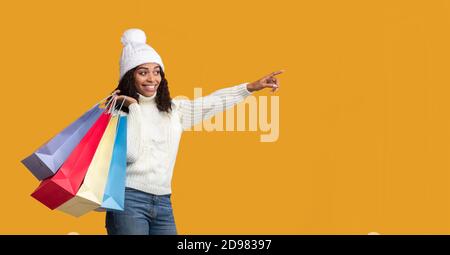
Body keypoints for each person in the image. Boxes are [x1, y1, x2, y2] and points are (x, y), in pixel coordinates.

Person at [106, 28, 284, 235]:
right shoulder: (119, 111)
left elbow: (213, 102)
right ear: (130, 76)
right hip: (128, 201)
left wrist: (251, 87)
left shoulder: (173, 110)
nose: (152, 78)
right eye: (143, 72)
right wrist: (134, 107)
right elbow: (130, 155)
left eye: (157, 72)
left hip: (163, 202)